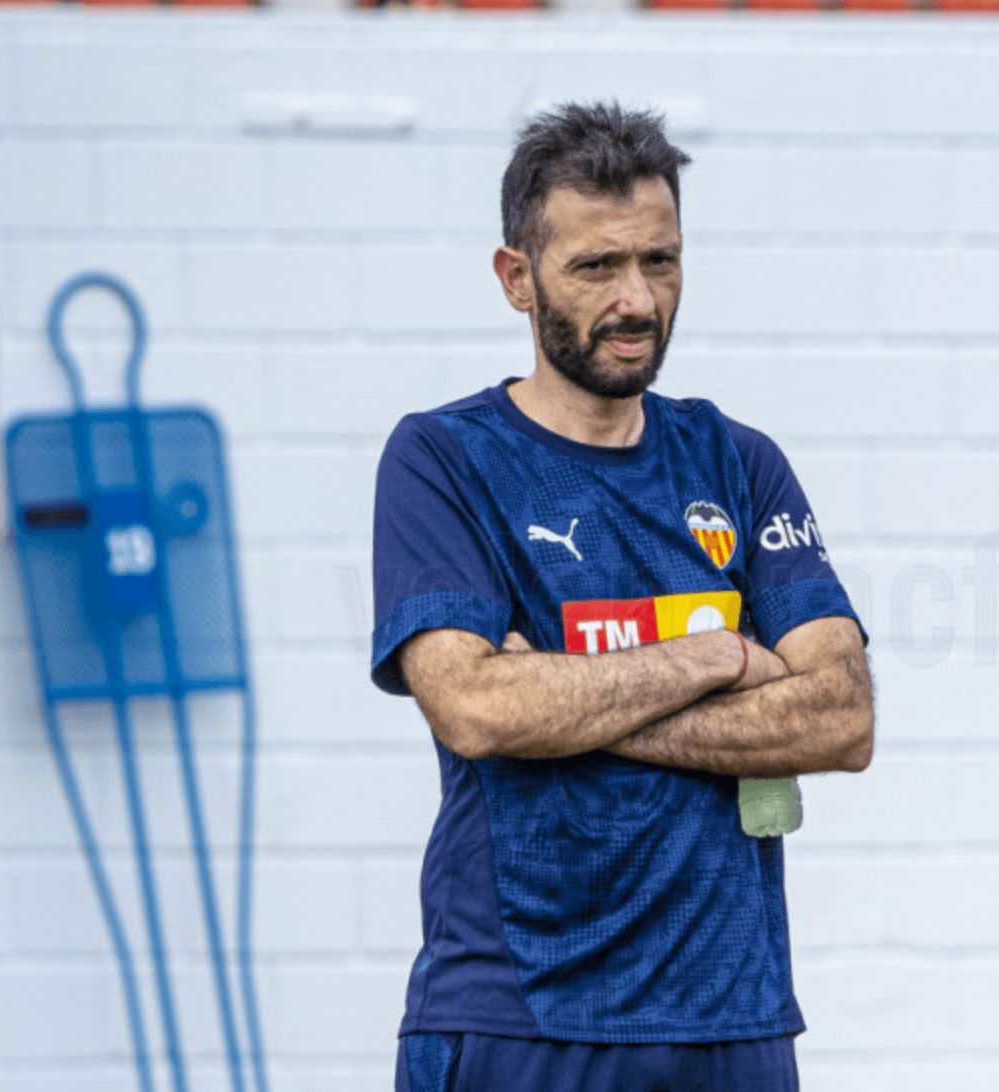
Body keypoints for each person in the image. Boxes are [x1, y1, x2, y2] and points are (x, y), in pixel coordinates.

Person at [368, 101, 874, 1092]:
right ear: (517, 278)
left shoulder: (738, 462)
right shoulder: (443, 460)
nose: (636, 300)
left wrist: (564, 705)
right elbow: (474, 705)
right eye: (596, 267)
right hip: (519, 1023)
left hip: (734, 1022)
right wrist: (719, 657)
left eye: (661, 261)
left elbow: (841, 716)